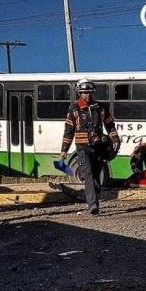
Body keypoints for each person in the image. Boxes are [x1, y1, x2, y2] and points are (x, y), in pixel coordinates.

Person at [61, 79, 120, 214]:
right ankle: (93, 205)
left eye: (89, 93)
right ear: (79, 93)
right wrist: (64, 149)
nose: (87, 95)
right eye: (84, 93)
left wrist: (115, 139)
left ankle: (95, 198)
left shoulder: (101, 108)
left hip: (98, 146)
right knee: (88, 174)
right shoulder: (74, 109)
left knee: (96, 174)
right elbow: (69, 130)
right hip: (82, 147)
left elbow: (110, 125)